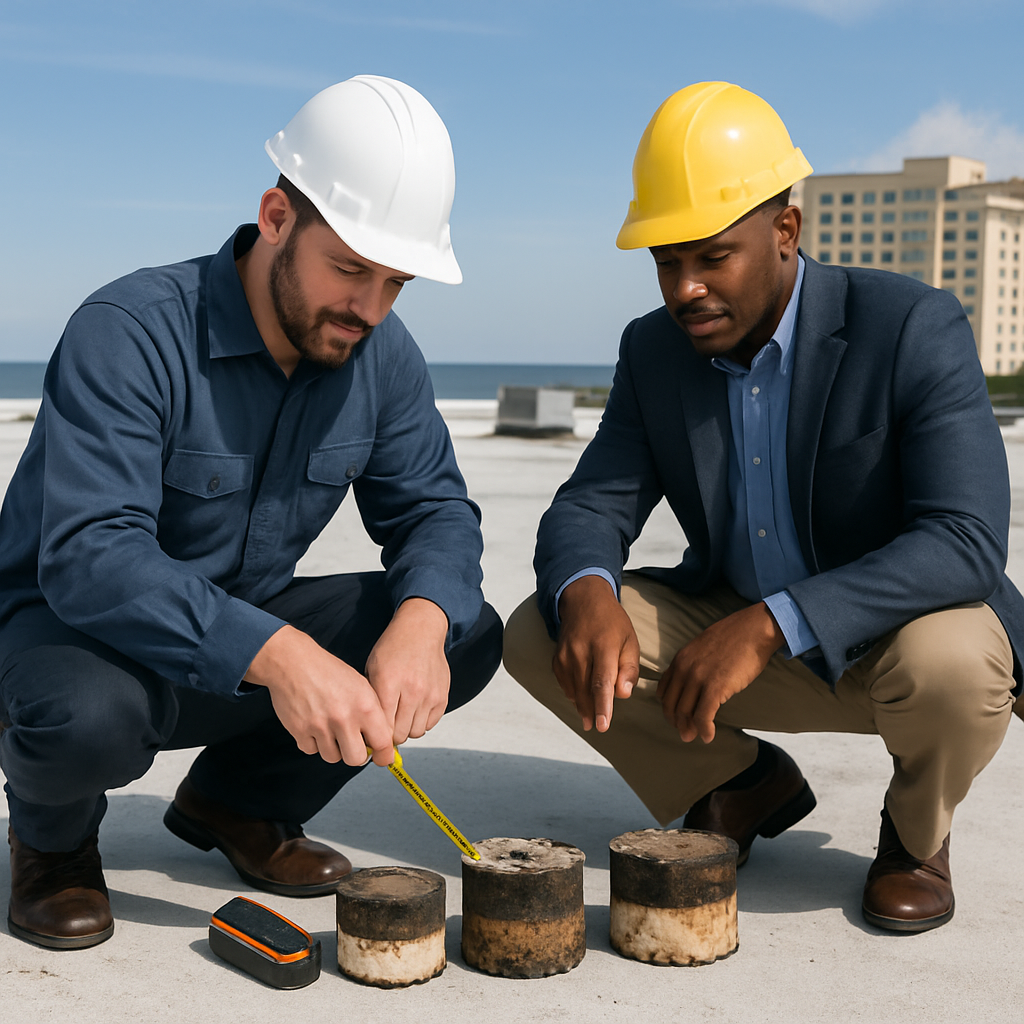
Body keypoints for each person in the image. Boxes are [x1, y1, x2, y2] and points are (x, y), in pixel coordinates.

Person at [503, 81, 1023, 933]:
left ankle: (916, 835)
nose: (685, 289)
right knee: (541, 627)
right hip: (736, 629)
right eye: (667, 262)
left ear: (786, 231)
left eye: (712, 257)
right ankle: (738, 786)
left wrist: (774, 623)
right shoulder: (654, 350)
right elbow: (590, 503)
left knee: (959, 665)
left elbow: (965, 541)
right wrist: (590, 588)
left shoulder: (911, 325)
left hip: (895, 646)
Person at [0, 75, 502, 950]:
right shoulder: (128, 331)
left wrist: (421, 623)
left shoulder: (381, 353)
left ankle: (238, 803)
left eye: (397, 282)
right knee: (87, 716)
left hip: (241, 649)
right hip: (71, 640)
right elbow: (91, 555)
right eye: (349, 269)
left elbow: (435, 511)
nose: (370, 310)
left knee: (464, 629)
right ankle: (52, 844)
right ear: (276, 217)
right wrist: (281, 655)